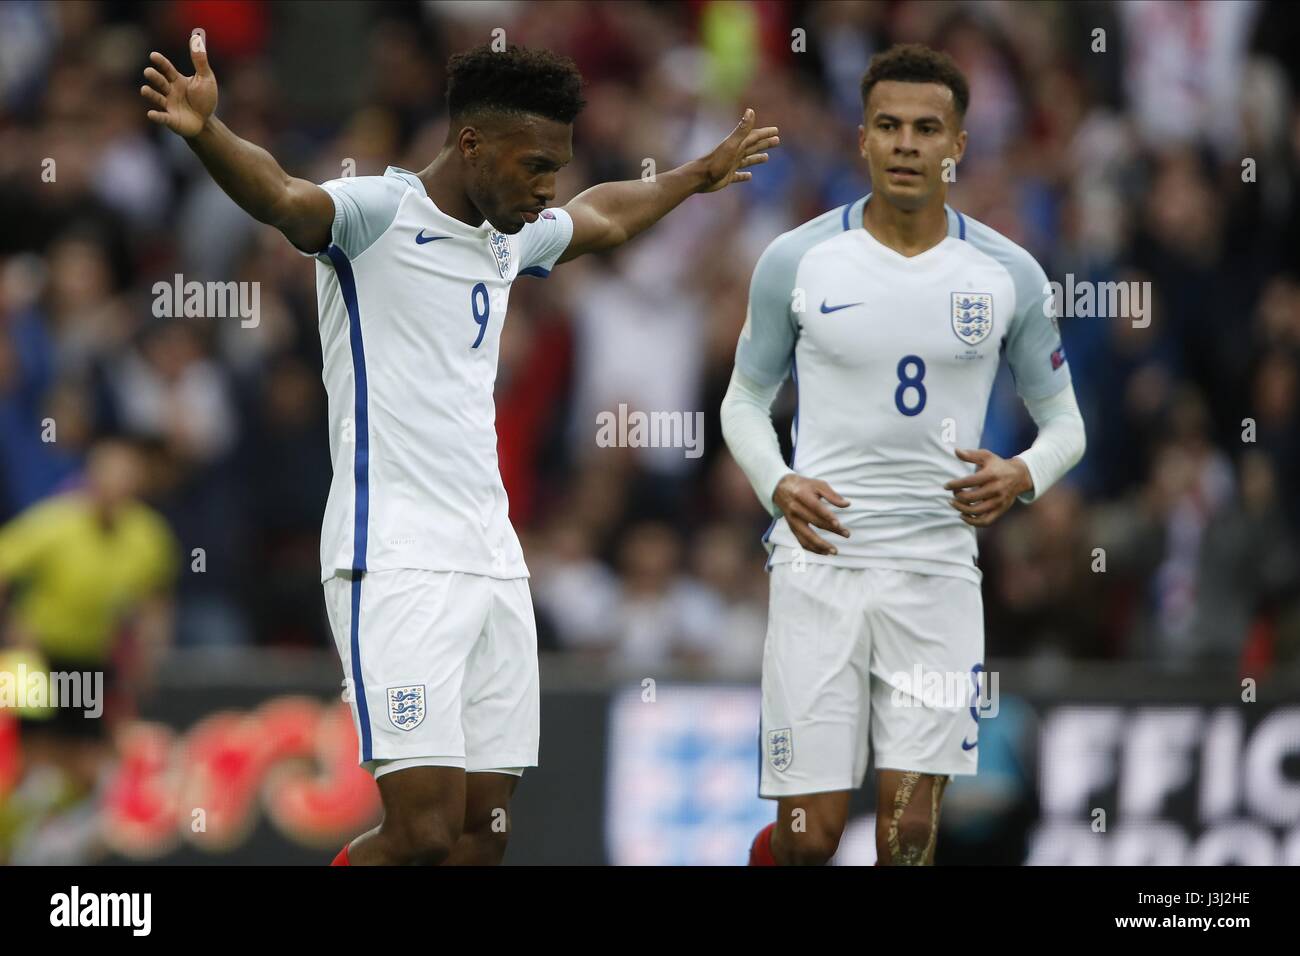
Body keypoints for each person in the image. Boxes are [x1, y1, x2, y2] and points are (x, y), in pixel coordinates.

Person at [141, 30, 779, 866]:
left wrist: (697, 175)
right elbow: (286, 199)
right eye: (535, 166)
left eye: (555, 168)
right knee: (421, 830)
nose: (546, 187)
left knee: (483, 832)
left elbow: (601, 217)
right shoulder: (377, 214)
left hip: (494, 560)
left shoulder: (507, 239)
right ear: (471, 142)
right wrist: (207, 133)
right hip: (394, 555)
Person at [721, 44, 1085, 865]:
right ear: (862, 139)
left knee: (909, 834)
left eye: (928, 128)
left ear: (959, 144)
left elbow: (1066, 423)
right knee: (810, 839)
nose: (907, 143)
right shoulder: (796, 260)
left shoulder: (1009, 274)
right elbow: (741, 401)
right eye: (888, 125)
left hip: (937, 575)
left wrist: (1024, 473)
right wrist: (776, 483)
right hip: (820, 568)